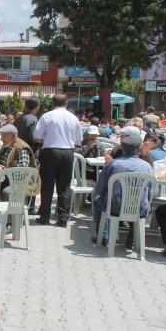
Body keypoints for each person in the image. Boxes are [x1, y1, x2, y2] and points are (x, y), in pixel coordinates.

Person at [91, 127, 155, 247]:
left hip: (114, 207)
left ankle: (104, 236)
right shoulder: (147, 167)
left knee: (97, 200)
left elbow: (99, 188)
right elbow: (152, 190)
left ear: (121, 147)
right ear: (138, 149)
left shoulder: (112, 164)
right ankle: (131, 240)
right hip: (139, 208)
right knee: (145, 202)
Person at [33, 93, 83, 228]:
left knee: (47, 185)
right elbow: (79, 139)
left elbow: (36, 136)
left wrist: (46, 139)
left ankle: (44, 216)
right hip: (68, 152)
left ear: (52, 103)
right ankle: (63, 218)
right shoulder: (73, 118)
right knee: (64, 185)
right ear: (66, 104)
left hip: (50, 152)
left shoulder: (47, 116)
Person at [14, 96, 41, 214]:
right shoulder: (34, 120)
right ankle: (30, 207)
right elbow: (33, 138)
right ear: (37, 107)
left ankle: (18, 202)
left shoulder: (18, 119)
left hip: (18, 152)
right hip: (31, 154)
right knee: (32, 180)